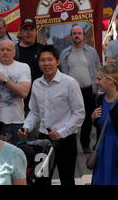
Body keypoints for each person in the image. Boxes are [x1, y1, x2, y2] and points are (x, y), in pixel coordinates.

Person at [18, 45, 85, 186]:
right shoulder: (36, 84)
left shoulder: (70, 83)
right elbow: (34, 111)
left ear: (57, 62)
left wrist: (62, 132)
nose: (46, 63)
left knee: (67, 179)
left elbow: (79, 113)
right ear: (38, 62)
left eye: (50, 59)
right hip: (43, 140)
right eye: (43, 60)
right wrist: (26, 128)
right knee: (42, 180)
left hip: (65, 140)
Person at [0, 39, 31, 144]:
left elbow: (24, 93)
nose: (5, 52)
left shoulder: (23, 67)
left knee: (18, 153)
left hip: (16, 121)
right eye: (2, 49)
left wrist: (4, 79)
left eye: (8, 49)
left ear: (14, 52)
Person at [59, 24, 101, 153]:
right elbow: (61, 72)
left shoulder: (92, 51)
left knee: (88, 119)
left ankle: (85, 145)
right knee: (71, 118)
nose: (77, 35)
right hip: (71, 91)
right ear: (71, 36)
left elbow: (99, 69)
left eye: (79, 33)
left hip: (89, 90)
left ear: (83, 35)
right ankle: (69, 146)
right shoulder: (65, 53)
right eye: (74, 33)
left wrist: (99, 88)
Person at [91, 64, 118, 185]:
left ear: (110, 81)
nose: (96, 82)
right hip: (102, 147)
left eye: (99, 79)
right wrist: (93, 119)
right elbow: (100, 125)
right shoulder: (99, 99)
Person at [14, 18, 43, 116]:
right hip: (19, 103)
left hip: (41, 102)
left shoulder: (43, 50)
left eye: (31, 29)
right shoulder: (13, 51)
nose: (29, 32)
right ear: (20, 32)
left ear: (36, 31)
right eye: (26, 29)